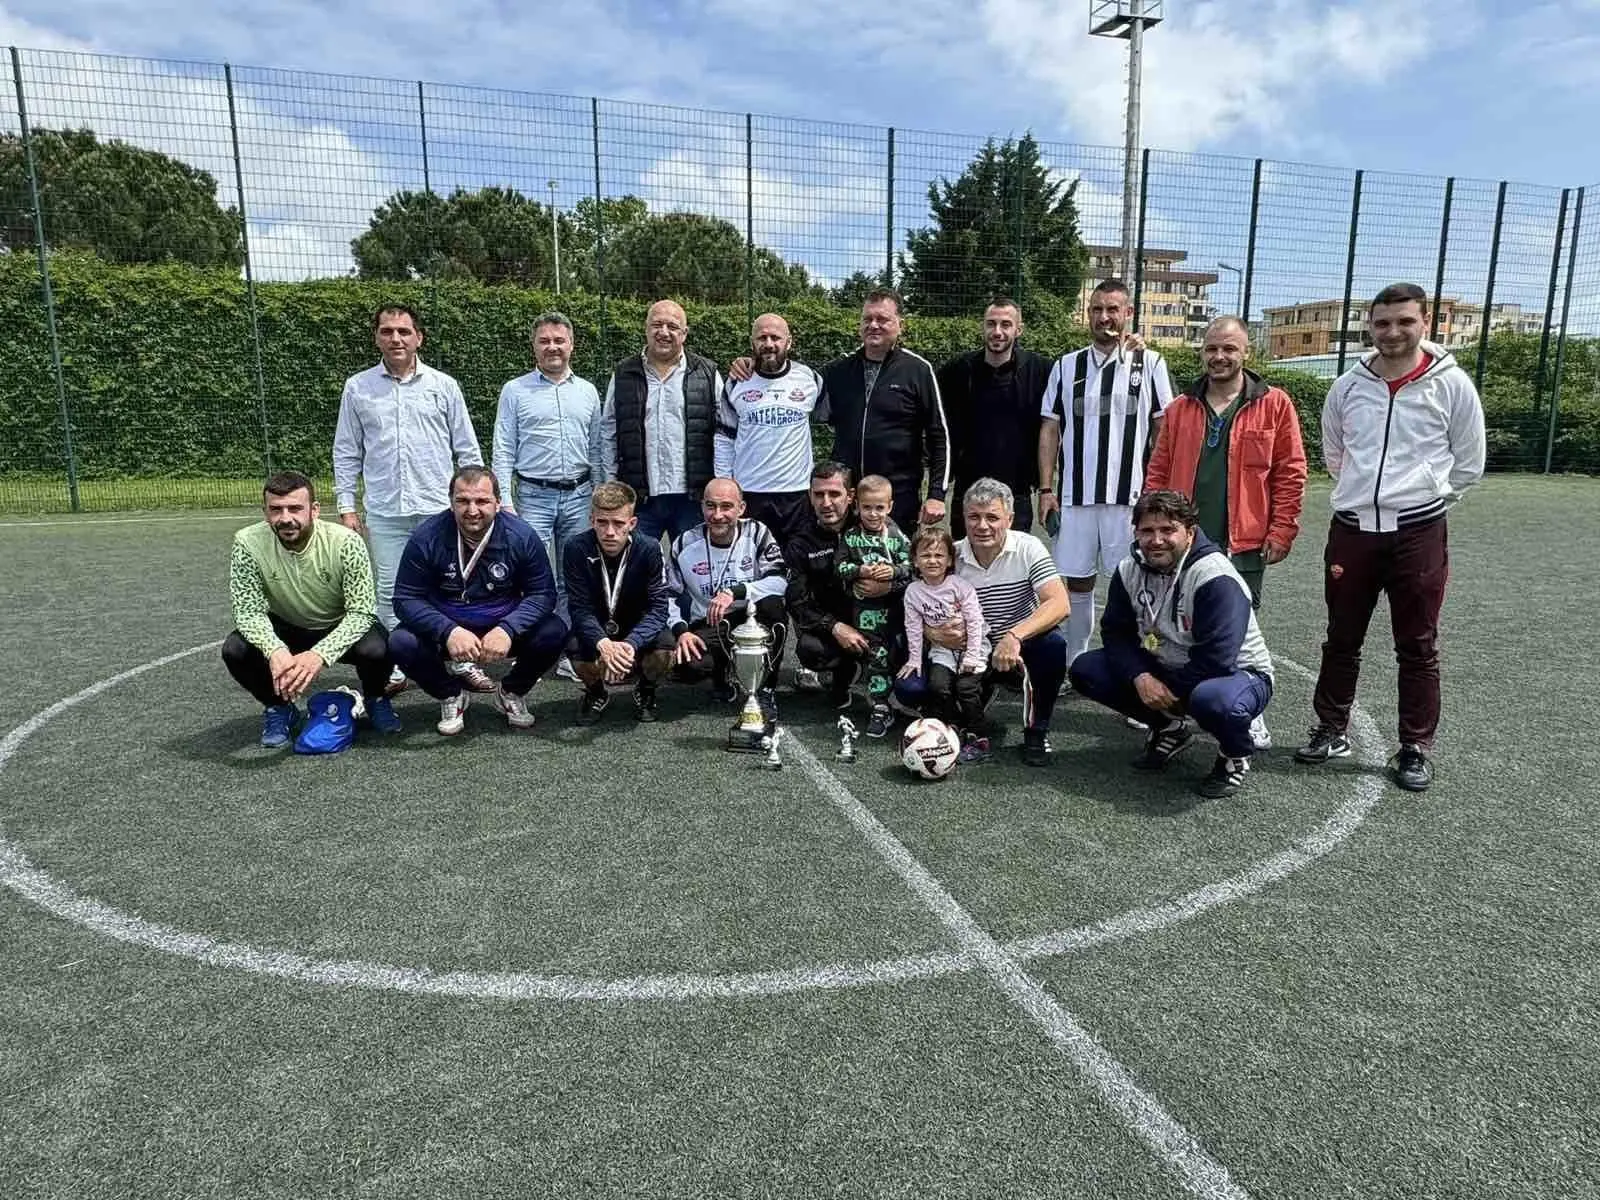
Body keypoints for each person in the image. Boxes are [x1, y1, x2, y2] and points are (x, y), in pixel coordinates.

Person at [1294, 283, 1485, 792]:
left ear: (1426, 323)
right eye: (1382, 322)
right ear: (1370, 326)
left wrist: (1423, 501)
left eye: (1404, 321)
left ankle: (1415, 746)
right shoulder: (1347, 387)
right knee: (1341, 637)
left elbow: (1469, 463)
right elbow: (1336, 455)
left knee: (1418, 644)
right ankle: (1331, 729)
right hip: (1353, 531)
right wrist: (1363, 497)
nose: (1393, 332)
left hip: (1418, 532)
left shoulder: (1452, 385)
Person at [1146, 314, 1307, 751]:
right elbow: (1158, 471)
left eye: (1229, 349)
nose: (1219, 356)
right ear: (1202, 352)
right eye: (1212, 348)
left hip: (1244, 541)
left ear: (1246, 352)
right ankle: (1174, 708)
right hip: (1185, 543)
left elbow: (1290, 472)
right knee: (1179, 623)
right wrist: (1152, 525)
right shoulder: (1180, 408)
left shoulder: (1274, 404)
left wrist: (1282, 527)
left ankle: (1247, 711)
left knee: (1239, 628)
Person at [1068, 490, 1275, 799]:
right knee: (1087, 669)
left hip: (1236, 674)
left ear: (1189, 532)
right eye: (1147, 531)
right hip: (1167, 664)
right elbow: (1115, 633)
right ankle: (1170, 729)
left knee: (1214, 702)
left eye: (1168, 530)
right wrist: (1141, 677)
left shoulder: (1213, 575)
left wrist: (1173, 691)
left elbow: (1218, 656)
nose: (1157, 540)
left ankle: (1235, 754)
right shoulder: (1129, 568)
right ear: (1136, 532)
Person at [332, 303, 486, 692]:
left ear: (419, 337)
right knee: (390, 591)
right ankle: (400, 663)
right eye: (387, 331)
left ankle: (461, 659)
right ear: (376, 338)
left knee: (453, 586)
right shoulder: (358, 387)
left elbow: (467, 449)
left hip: (439, 509)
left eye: (404, 331)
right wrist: (347, 506)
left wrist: (475, 501)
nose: (396, 338)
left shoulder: (444, 386)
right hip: (386, 511)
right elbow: (346, 450)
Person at [1038, 279, 1174, 667]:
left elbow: (1164, 428)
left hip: (1131, 499)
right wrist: (1046, 488)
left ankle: (1132, 667)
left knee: (1132, 583)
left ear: (1128, 313)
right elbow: (1049, 428)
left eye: (1112, 309)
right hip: (1075, 496)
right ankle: (1075, 664)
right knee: (1077, 582)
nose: (1104, 317)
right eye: (1097, 309)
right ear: (1088, 315)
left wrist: (1158, 491)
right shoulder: (1066, 365)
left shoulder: (1150, 362)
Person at [732, 290, 947, 533]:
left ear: (900, 325)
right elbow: (788, 381)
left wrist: (936, 494)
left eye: (882, 319)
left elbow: (939, 435)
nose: (873, 325)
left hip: (896, 497)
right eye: (867, 319)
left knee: (895, 558)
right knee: (844, 557)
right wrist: (753, 365)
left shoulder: (918, 370)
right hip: (845, 498)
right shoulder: (837, 371)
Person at [222, 471, 401, 747]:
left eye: (295, 508)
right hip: (286, 626)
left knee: (379, 648)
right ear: (265, 512)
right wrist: (274, 649)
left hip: (339, 623)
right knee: (236, 649)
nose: (285, 518)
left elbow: (362, 612)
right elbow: (248, 611)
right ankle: (279, 706)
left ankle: (376, 698)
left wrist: (320, 654)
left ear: (314, 510)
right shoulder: (247, 543)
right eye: (276, 509)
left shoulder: (346, 542)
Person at [389, 467, 568, 735]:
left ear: (498, 502)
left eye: (482, 501)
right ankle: (451, 695)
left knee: (555, 631)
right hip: (448, 628)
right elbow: (405, 599)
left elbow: (543, 594)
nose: (472, 510)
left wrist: (508, 629)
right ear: (451, 502)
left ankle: (511, 692)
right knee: (400, 642)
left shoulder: (522, 536)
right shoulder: (426, 537)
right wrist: (448, 630)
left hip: (501, 626)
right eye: (463, 501)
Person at [905, 478, 1070, 767]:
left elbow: (1059, 603)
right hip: (966, 649)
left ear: (1010, 519)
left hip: (1015, 648)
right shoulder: (950, 555)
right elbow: (916, 600)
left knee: (1053, 645)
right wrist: (933, 632)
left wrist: (1014, 636)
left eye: (992, 517)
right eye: (974, 517)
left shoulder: (1028, 547)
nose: (982, 526)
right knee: (911, 688)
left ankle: (1036, 730)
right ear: (963, 518)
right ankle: (958, 722)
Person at [492, 310, 603, 678]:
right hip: (532, 496)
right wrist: (504, 502)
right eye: (545, 341)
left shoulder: (588, 391)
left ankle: (569, 648)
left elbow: (596, 448)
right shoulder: (515, 390)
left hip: (579, 495)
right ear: (534, 346)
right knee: (531, 578)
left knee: (575, 576)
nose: (552, 347)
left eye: (559, 340)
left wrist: (599, 495)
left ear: (572, 345)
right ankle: (535, 650)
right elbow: (503, 447)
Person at [601, 300, 725, 545]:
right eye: (657, 325)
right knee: (637, 563)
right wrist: (610, 483)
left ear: (684, 333)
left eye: (672, 326)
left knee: (694, 564)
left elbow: (724, 432)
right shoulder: (624, 373)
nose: (664, 332)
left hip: (692, 498)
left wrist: (720, 484)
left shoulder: (707, 373)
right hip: (639, 498)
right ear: (646, 328)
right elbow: (609, 431)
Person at [665, 477, 788, 717]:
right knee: (690, 665)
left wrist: (735, 592)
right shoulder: (684, 543)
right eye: (710, 506)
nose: (717, 515)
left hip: (753, 618)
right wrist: (681, 631)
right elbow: (667, 595)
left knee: (774, 606)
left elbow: (780, 581)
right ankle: (721, 676)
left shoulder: (757, 532)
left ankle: (766, 689)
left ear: (741, 508)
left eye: (726, 506)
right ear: (702, 506)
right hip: (712, 622)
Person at [937, 298, 1052, 537]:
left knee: (1013, 559)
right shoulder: (956, 371)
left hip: (1017, 493)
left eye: (1005, 324)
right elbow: (935, 426)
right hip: (967, 491)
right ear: (983, 327)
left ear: (1018, 330)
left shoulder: (1042, 371)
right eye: (991, 324)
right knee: (965, 559)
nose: (997, 331)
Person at [562, 482, 676, 725]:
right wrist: (603, 643)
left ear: (632, 523)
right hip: (598, 625)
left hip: (636, 625)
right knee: (573, 646)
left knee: (665, 649)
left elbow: (659, 609)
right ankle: (596, 692)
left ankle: (645, 689)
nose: (610, 532)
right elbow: (579, 608)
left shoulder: (649, 548)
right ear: (592, 520)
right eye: (602, 522)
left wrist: (630, 644)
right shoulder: (575, 548)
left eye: (618, 523)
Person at [714, 312, 826, 548]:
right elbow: (724, 438)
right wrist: (725, 484)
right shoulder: (736, 382)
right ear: (752, 342)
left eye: (775, 337)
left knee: (796, 562)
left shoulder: (810, 379)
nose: (768, 344)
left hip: (796, 493)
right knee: (751, 560)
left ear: (789, 342)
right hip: (750, 491)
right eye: (761, 338)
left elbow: (830, 417)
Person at [785, 462, 889, 704]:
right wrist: (834, 626)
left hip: (879, 623)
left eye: (834, 494)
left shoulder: (879, 526)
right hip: (836, 629)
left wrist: (888, 586)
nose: (826, 502)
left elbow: (914, 577)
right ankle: (844, 672)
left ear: (850, 496)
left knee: (905, 661)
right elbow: (796, 602)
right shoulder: (800, 542)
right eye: (819, 494)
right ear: (810, 496)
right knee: (811, 649)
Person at [898, 527, 989, 762]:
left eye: (939, 555)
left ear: (949, 560)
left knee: (966, 688)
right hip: (942, 650)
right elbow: (913, 627)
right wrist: (914, 659)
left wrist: (971, 655)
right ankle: (953, 725)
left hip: (973, 646)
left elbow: (975, 622)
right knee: (938, 686)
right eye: (926, 555)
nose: (932, 561)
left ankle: (979, 736)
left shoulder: (960, 586)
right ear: (915, 560)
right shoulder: (913, 592)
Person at [835, 474, 914, 738]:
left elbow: (912, 566)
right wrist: (860, 570)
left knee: (897, 654)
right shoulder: (850, 537)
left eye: (879, 507)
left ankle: (903, 700)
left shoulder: (896, 535)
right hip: (865, 614)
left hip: (896, 611)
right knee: (876, 658)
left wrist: (892, 573)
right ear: (857, 505)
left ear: (890, 506)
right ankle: (879, 705)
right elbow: (839, 567)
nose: (873, 513)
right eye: (867, 507)